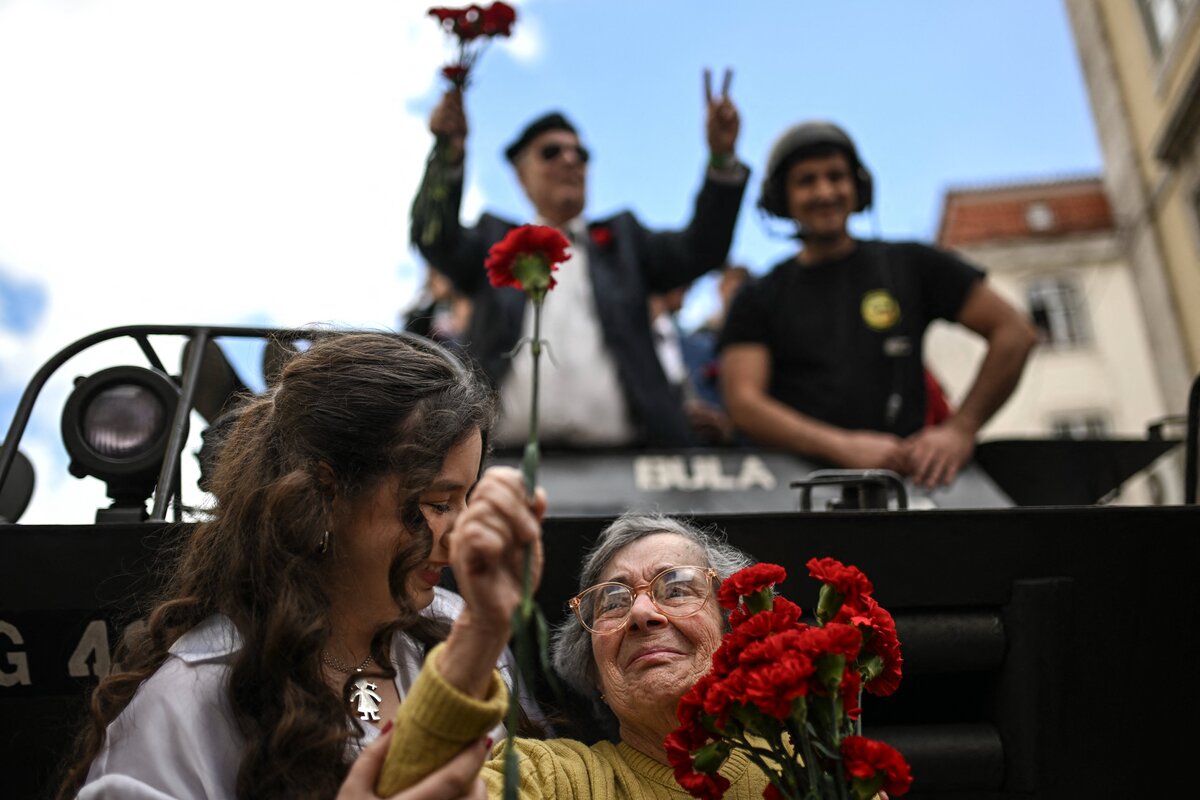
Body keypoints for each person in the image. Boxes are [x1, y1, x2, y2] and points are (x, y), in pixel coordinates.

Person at [56, 332, 546, 800]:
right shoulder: (191, 700)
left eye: (468, 499)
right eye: (438, 503)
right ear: (327, 492)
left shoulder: (455, 623)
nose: (462, 537)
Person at [411, 70, 748, 449]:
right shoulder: (495, 241)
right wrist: (447, 155)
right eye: (551, 152)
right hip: (501, 463)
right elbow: (433, 237)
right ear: (521, 176)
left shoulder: (625, 241)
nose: (570, 160)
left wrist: (722, 159)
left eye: (581, 154)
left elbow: (702, 249)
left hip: (626, 466)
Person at [376, 512, 785, 798]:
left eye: (676, 588)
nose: (641, 614)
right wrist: (481, 629)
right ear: (594, 673)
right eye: (613, 603)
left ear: (735, 629)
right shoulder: (557, 779)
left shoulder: (813, 758)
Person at [720, 121, 1038, 487]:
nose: (824, 192)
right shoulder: (758, 295)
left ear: (859, 187)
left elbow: (1015, 333)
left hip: (908, 482)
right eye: (806, 181)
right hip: (797, 492)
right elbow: (743, 403)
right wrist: (842, 447)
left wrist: (961, 429)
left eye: (836, 176)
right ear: (780, 198)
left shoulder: (913, 263)